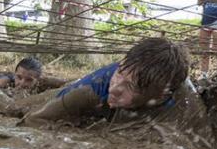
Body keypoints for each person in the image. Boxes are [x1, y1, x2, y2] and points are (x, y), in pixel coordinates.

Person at [19, 38, 193, 127]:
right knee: (13, 107)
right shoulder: (90, 91)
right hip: (77, 92)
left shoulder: (186, 100)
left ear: (161, 96)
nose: (115, 88)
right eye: (119, 73)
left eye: (131, 87)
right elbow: (32, 120)